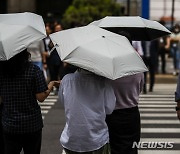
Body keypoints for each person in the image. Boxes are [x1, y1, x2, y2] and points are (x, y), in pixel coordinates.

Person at [0, 50, 60, 154]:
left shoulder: (2, 72)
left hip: (10, 124)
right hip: (32, 124)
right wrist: (51, 84)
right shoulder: (33, 70)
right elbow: (41, 97)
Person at [58, 68, 116, 154]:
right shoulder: (104, 82)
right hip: (97, 139)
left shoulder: (67, 79)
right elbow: (109, 109)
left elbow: (63, 102)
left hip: (71, 139)